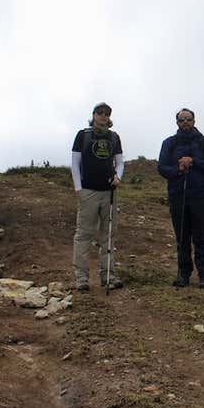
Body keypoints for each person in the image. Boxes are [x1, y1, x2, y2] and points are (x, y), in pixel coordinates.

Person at [158, 108, 204, 288]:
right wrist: (178, 169)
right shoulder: (169, 143)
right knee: (182, 237)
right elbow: (161, 167)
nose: (185, 122)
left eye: (188, 119)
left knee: (201, 237)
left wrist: (193, 161)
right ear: (177, 122)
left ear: (194, 121)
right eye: (181, 120)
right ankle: (183, 274)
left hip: (201, 196)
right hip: (178, 196)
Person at [70, 102, 125, 291]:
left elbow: (119, 162)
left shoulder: (114, 137)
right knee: (84, 233)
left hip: (109, 191)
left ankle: (107, 274)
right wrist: (78, 188)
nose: (103, 116)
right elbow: (75, 162)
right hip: (88, 190)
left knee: (108, 234)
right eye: (100, 113)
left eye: (107, 113)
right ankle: (81, 278)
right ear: (93, 114)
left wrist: (118, 177)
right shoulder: (83, 135)